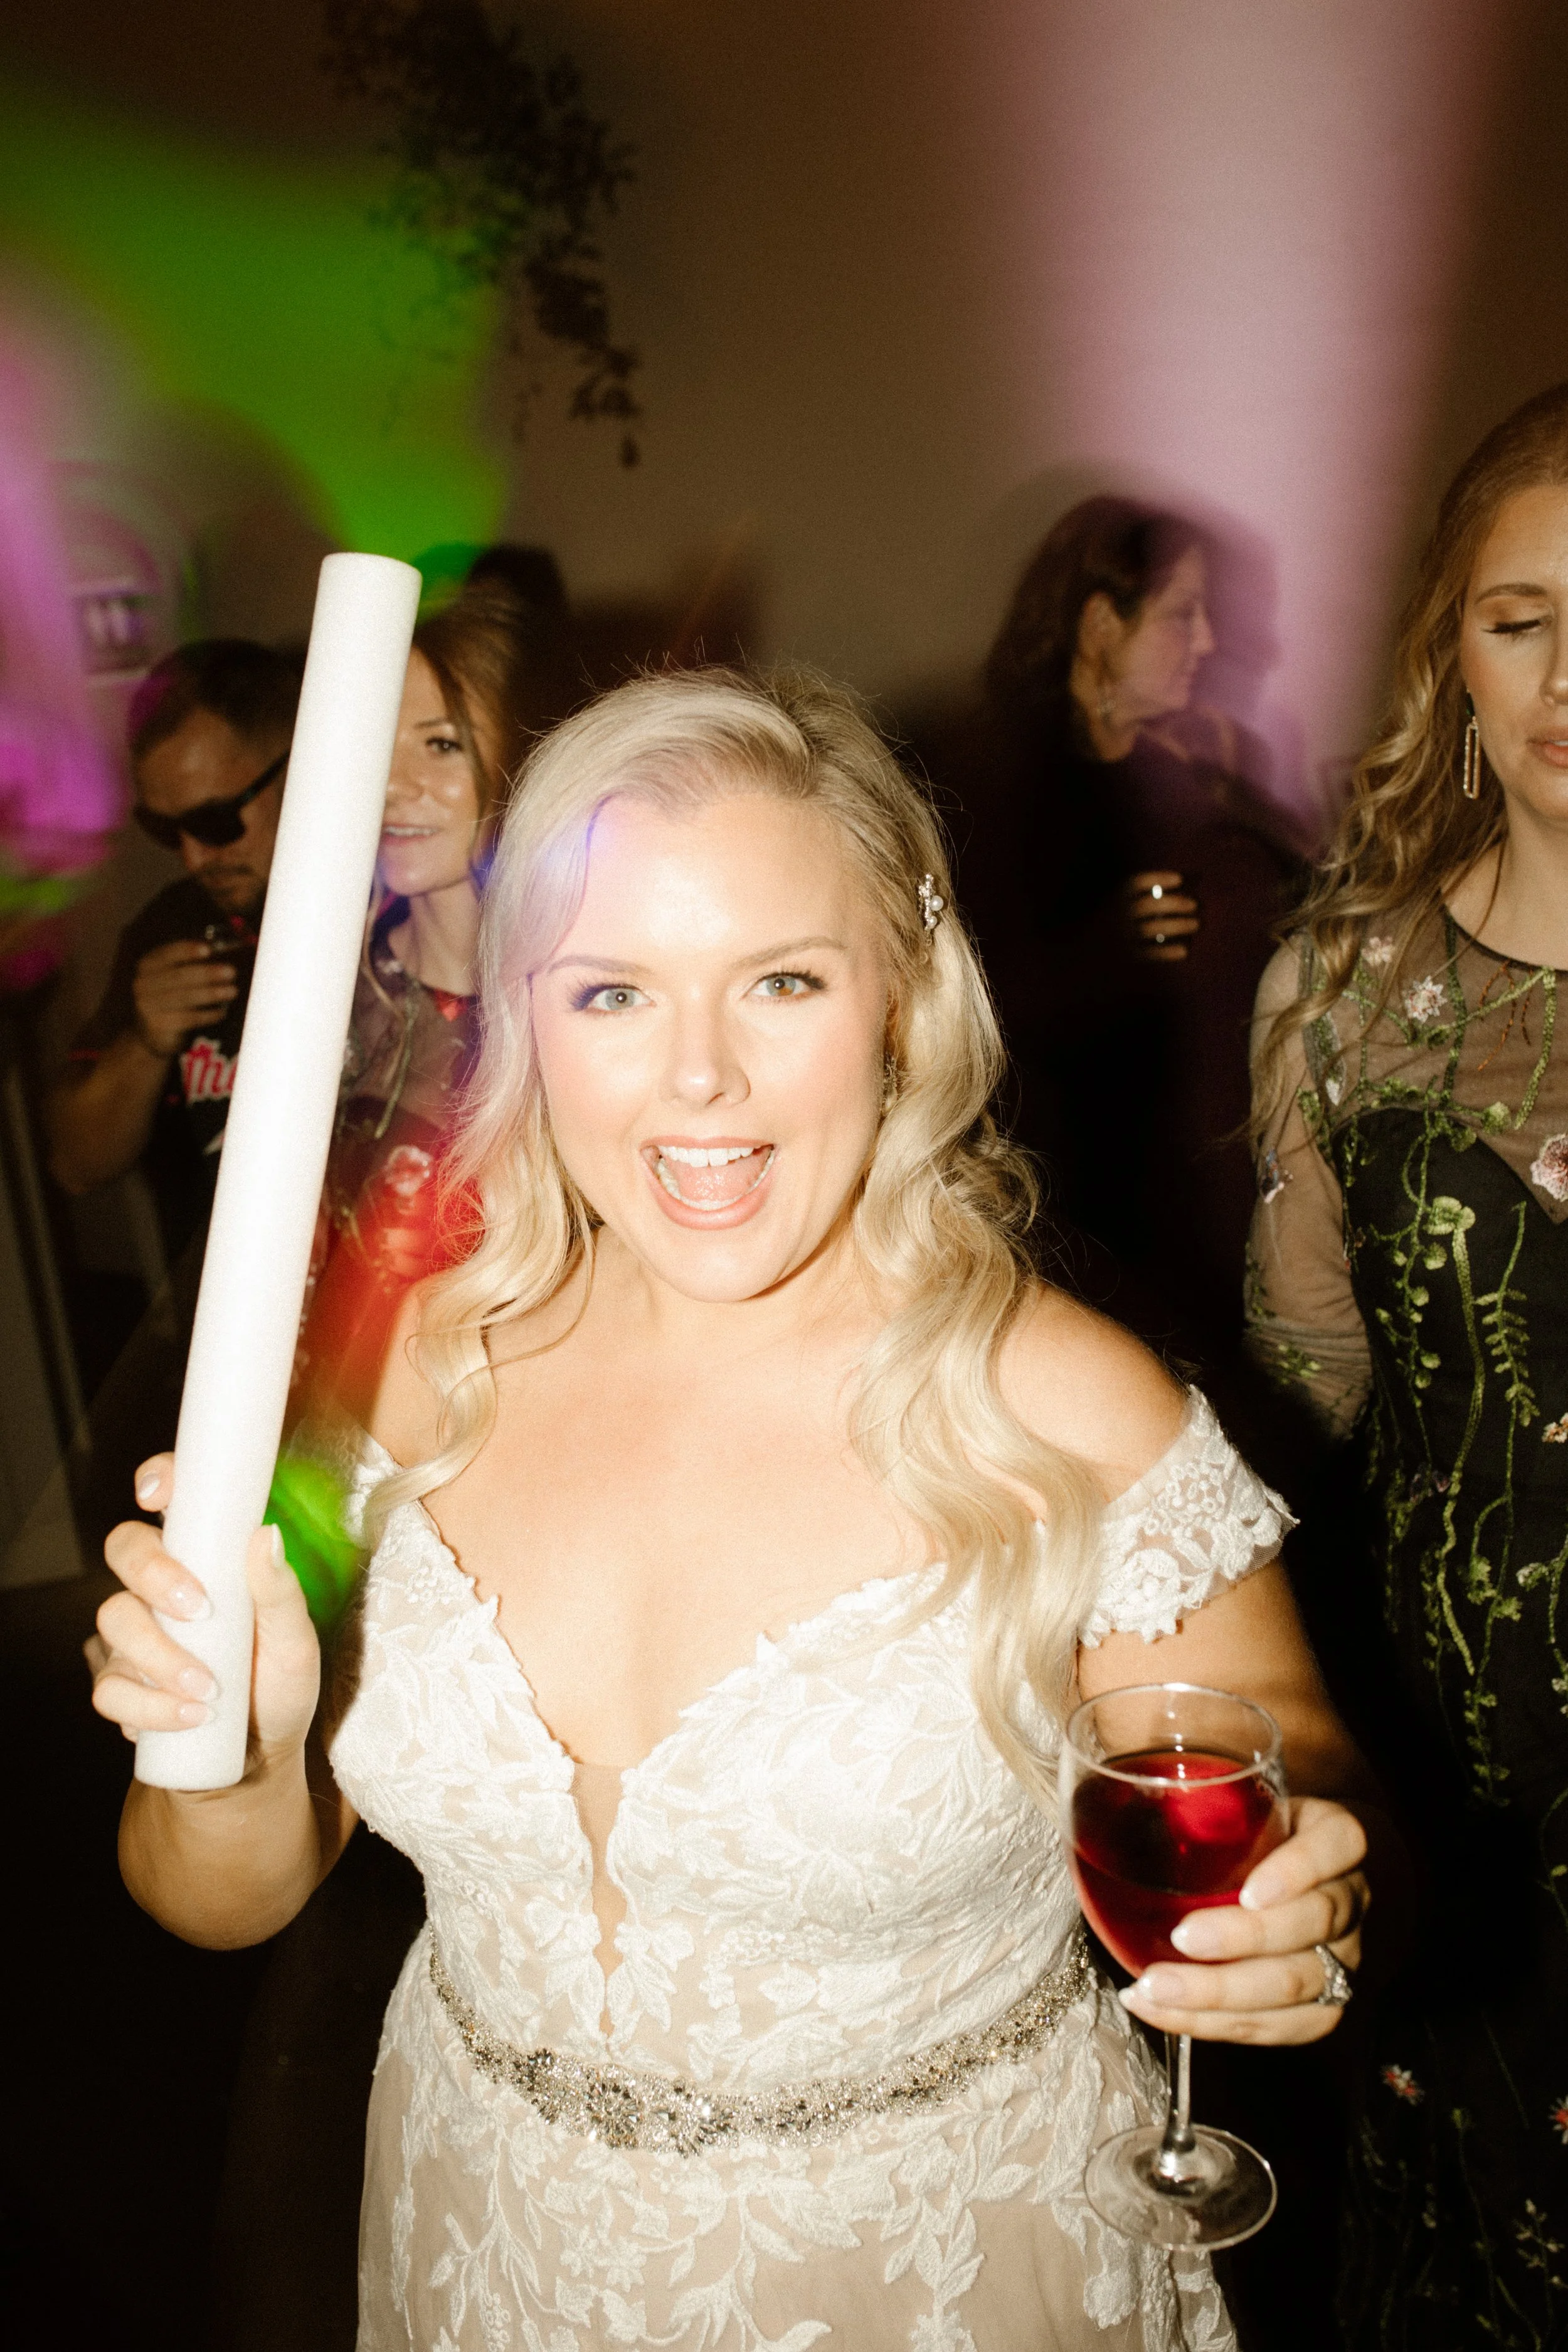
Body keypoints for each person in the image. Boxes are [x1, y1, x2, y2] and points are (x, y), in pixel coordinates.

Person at [92, 669, 1377, 2352]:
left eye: (781, 979)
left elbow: (1280, 1758)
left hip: (936, 2276)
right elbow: (215, 1892)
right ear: (527, 1018)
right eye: (613, 991)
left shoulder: (1069, 1411)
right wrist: (242, 1752)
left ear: (902, 997)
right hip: (484, 2237)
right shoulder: (409, 1376)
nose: (697, 1076)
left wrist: (1299, 1886)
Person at [1248, 383, 1568, 2350]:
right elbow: (1302, 1404)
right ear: (1451, 653)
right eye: (1519, 619)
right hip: (1458, 1774)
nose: (1565, 677)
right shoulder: (1342, 988)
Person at [970, 497, 1301, 1380]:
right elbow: (979, 1018)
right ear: (1098, 625)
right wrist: (1111, 949)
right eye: (1181, 615)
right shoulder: (1007, 790)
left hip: (1207, 1200)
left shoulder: (1180, 774)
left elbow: (1307, 907)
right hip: (1089, 1231)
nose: (1206, 642)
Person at [297, 586, 564, 1429]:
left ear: (525, 755)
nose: (391, 785)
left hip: (498, 1434)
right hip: (316, 1431)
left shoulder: (588, 1008)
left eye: (441, 745)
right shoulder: (319, 981)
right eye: (375, 742)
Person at [46, 638, 302, 1263]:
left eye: (215, 822)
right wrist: (148, 1040)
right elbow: (76, 1164)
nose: (192, 858)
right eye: (165, 829)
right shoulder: (170, 929)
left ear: (301, 768)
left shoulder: (400, 899)